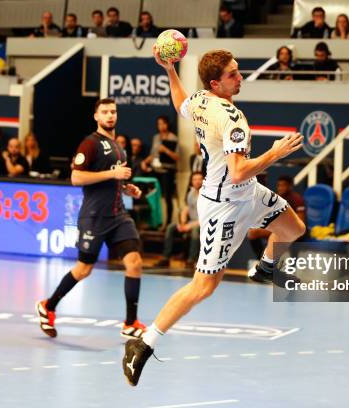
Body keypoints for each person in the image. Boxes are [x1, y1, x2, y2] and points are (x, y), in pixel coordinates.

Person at [122, 47, 306, 386]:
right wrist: (275, 152)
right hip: (225, 206)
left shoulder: (201, 101)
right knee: (204, 286)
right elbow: (237, 171)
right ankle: (143, 343)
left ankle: (265, 268)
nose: (240, 78)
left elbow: (180, 103)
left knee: (293, 228)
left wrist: (170, 69)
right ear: (215, 83)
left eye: (238, 70)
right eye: (233, 75)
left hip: (249, 192)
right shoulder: (232, 118)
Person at [35, 98, 147, 340]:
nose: (110, 116)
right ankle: (48, 305)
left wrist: (127, 187)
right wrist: (113, 173)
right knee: (84, 269)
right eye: (105, 112)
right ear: (96, 116)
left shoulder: (119, 146)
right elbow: (76, 178)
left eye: (113, 112)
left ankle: (130, 323)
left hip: (118, 215)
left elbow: (112, 179)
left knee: (135, 263)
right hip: (95, 217)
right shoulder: (90, 144)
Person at [247, 175, 306, 260]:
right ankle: (261, 260)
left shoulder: (297, 199)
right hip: (278, 227)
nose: (281, 188)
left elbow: (301, 222)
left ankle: (266, 263)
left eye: (283, 185)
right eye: (279, 185)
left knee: (255, 232)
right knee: (252, 233)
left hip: (292, 229)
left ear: (290, 186)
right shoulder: (276, 198)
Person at [155, 171, 203, 268]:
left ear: (203, 181)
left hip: (201, 224)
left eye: (199, 179)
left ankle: (191, 260)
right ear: (191, 181)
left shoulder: (207, 195)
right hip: (190, 222)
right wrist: (183, 222)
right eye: (195, 179)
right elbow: (186, 209)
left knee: (194, 231)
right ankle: (166, 258)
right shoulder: (191, 193)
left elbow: (206, 218)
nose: (197, 182)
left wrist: (189, 226)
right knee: (171, 227)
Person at [143, 116, 179, 224]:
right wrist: (145, 162)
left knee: (167, 197)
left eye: (163, 123)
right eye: (159, 124)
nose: (161, 126)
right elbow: (153, 154)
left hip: (167, 170)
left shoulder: (173, 138)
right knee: (154, 195)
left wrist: (166, 150)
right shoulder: (156, 137)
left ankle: (168, 222)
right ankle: (155, 221)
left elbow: (177, 157)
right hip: (155, 169)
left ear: (167, 124)